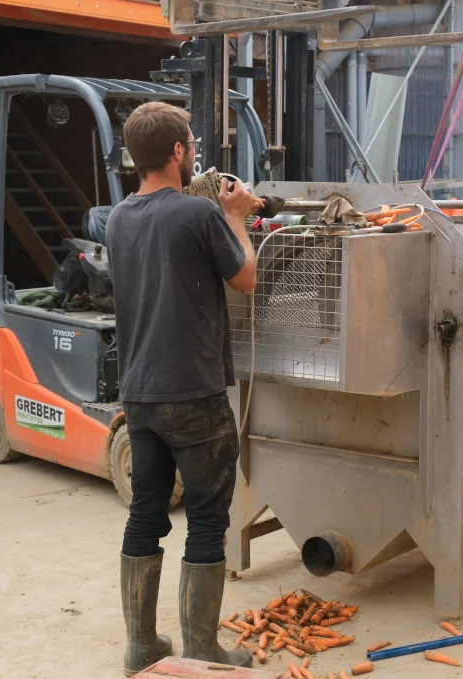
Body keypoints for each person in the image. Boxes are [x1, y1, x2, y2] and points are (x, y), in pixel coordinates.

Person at [106, 101, 263, 676]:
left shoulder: (118, 218)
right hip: (194, 394)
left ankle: (141, 647)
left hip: (140, 395)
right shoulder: (199, 218)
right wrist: (239, 216)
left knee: (145, 513)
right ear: (177, 152)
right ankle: (202, 649)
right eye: (191, 142)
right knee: (206, 519)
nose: (194, 148)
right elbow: (244, 278)